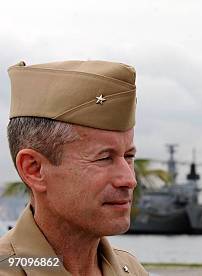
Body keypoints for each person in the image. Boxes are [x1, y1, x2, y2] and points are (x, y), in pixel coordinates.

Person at [0, 60, 148, 275]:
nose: (129, 179)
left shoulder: (131, 270)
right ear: (34, 169)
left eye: (129, 156)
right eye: (104, 158)